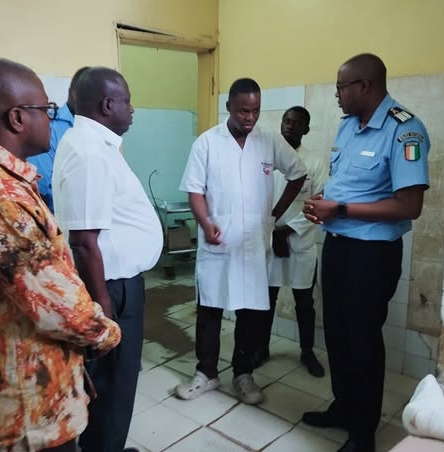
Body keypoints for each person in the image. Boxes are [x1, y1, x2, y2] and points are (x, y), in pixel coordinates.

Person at [0, 58, 121, 452]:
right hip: (27, 407)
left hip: (21, 379)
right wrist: (109, 332)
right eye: (46, 109)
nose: (52, 119)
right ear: (17, 118)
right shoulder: (0, 199)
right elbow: (61, 310)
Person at [302, 53, 430, 452]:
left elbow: (409, 206)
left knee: (363, 341)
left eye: (342, 87)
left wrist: (339, 209)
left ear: (365, 86)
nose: (337, 94)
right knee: (337, 335)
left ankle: (363, 433)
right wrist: (324, 200)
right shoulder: (348, 125)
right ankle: (343, 407)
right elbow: (347, 182)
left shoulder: (405, 131)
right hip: (337, 247)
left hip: (371, 256)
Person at [175, 78, 307, 405]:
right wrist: (205, 223)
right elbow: (194, 190)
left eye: (256, 110)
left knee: (250, 312)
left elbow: (298, 172)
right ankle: (206, 373)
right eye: (243, 111)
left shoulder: (269, 140)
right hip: (217, 242)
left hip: (252, 245)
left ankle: (243, 374)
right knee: (210, 308)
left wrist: (274, 214)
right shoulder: (207, 143)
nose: (250, 117)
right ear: (229, 107)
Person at [52, 67, 163, 452]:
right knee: (115, 383)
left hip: (114, 284)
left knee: (114, 381)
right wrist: (103, 307)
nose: (132, 109)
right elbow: (84, 242)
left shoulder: (95, 145)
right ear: (107, 104)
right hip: (112, 288)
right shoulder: (89, 151)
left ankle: (105, 446)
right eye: (127, 101)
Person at [254, 106, 328, 377]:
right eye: (286, 121)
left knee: (305, 303)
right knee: (268, 298)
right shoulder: (267, 159)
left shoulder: (315, 162)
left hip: (300, 243)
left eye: (296, 123)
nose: (289, 126)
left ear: (305, 129)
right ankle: (262, 348)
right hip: (270, 240)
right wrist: (273, 232)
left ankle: (307, 352)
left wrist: (286, 231)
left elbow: (319, 204)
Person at [28, 66, 90, 213]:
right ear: (76, 94)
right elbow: (43, 187)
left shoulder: (95, 130)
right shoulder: (51, 126)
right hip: (61, 220)